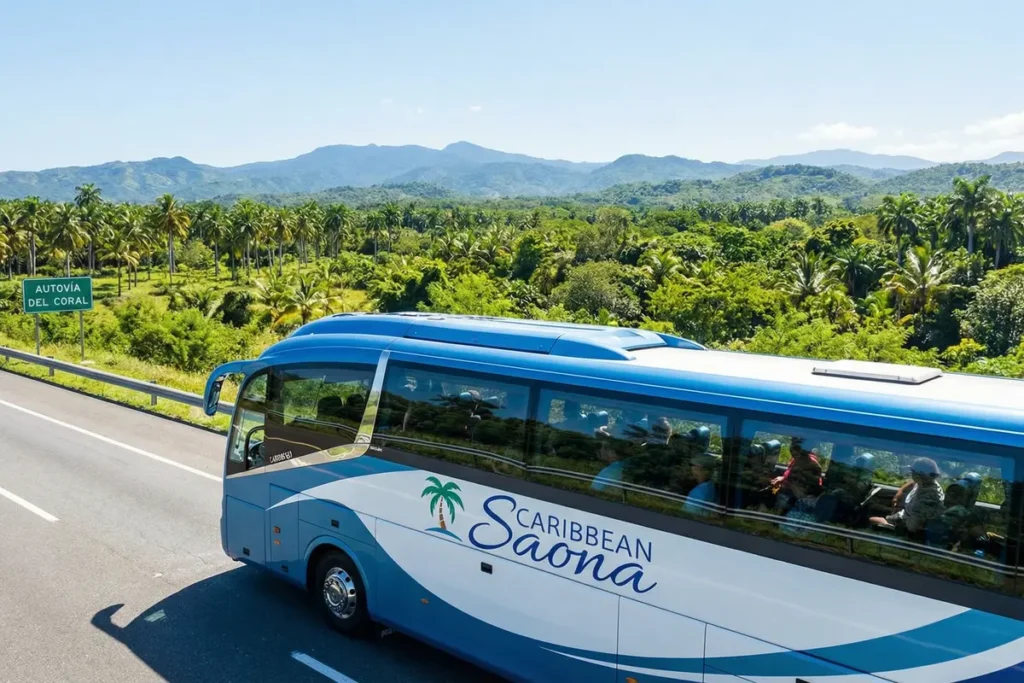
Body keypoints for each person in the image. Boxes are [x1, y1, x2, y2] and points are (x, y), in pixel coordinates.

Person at [870, 457, 945, 534]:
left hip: (906, 525)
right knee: (874, 508)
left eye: (913, 472)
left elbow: (911, 529)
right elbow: (912, 482)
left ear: (920, 475)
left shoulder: (926, 500)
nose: (912, 474)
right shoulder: (927, 483)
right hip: (905, 514)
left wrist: (885, 524)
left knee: (872, 516)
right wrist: (900, 492)